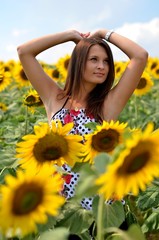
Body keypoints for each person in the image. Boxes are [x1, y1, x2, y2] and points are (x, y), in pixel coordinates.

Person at [17, 29, 148, 210]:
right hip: (62, 209)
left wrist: (104, 33)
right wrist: (70, 35)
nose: (102, 66)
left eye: (106, 61)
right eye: (94, 59)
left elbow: (140, 56)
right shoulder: (55, 98)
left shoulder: (107, 105)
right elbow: (24, 51)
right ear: (79, 62)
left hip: (100, 211)